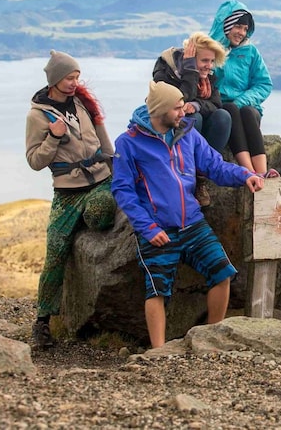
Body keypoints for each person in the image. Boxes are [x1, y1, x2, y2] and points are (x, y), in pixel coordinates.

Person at [111, 81, 264, 348]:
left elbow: (214, 165)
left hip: (192, 222)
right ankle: (158, 352)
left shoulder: (188, 134)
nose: (184, 113)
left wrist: (246, 175)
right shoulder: (129, 143)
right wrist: (147, 228)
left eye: (183, 107)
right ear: (159, 111)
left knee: (222, 273)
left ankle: (209, 337)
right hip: (157, 229)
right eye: (178, 109)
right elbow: (123, 191)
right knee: (157, 288)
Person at [25, 50, 116, 351]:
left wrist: (120, 171)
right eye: (68, 78)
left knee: (100, 215)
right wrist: (52, 137)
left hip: (101, 180)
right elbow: (35, 161)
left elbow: (106, 145)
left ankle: (84, 222)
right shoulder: (37, 115)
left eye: (76, 77)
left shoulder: (83, 104)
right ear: (54, 79)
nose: (74, 83)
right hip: (66, 191)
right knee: (55, 253)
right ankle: (42, 323)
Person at [153, 32, 232, 206]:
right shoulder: (167, 71)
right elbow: (180, 98)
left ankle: (201, 174)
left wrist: (196, 105)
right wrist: (190, 71)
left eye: (212, 62)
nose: (209, 66)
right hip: (169, 129)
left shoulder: (208, 79)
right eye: (204, 61)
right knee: (194, 118)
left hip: (196, 130)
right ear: (190, 58)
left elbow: (216, 104)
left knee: (223, 116)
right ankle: (186, 174)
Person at [208, 0, 277, 177]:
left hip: (247, 109)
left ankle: (262, 171)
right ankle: (250, 171)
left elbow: (264, 84)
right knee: (230, 109)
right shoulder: (209, 50)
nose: (242, 33)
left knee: (246, 111)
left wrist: (242, 101)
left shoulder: (250, 51)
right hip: (220, 108)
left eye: (245, 29)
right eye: (238, 26)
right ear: (226, 23)